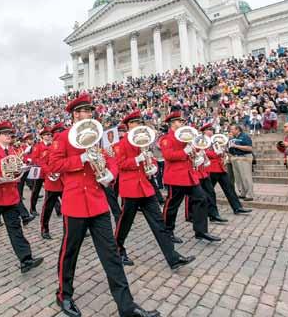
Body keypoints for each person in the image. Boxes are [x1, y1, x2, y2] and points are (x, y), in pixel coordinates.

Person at [49, 94, 160, 317]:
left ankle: (127, 307)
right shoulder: (62, 137)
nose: (87, 115)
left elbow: (109, 158)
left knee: (111, 255)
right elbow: (54, 164)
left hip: (97, 202)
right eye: (83, 111)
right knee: (70, 253)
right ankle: (64, 295)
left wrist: (111, 173)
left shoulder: (97, 135)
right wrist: (80, 160)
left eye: (90, 111)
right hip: (75, 203)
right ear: (74, 114)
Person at [114, 110, 195, 270]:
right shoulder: (120, 144)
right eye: (136, 123)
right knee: (125, 223)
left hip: (145, 187)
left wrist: (153, 168)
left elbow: (152, 160)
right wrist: (136, 160)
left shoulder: (144, 142)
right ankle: (118, 249)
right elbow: (120, 164)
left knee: (159, 223)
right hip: (130, 188)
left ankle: (173, 257)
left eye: (140, 123)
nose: (140, 126)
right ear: (129, 126)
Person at [0, 121, 44, 273]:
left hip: (10, 198)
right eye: (5, 134)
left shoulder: (13, 151)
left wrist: (21, 171)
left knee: (15, 229)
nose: (9, 136)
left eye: (10, 134)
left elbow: (15, 172)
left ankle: (26, 260)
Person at [159, 111, 220, 243]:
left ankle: (201, 231)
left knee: (201, 199)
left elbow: (192, 152)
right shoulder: (166, 139)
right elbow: (168, 156)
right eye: (179, 121)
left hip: (189, 175)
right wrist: (184, 151)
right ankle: (167, 232)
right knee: (172, 205)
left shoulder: (186, 137)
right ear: (172, 123)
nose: (182, 123)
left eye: (182, 121)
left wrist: (197, 153)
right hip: (175, 176)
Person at [202, 125, 252, 216]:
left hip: (220, 168)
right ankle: (206, 211)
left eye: (211, 129)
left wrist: (223, 151)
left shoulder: (215, 140)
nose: (211, 131)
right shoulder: (203, 141)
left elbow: (221, 151)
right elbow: (204, 152)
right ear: (204, 132)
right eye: (208, 130)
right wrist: (216, 153)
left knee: (229, 188)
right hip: (210, 168)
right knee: (209, 192)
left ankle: (237, 207)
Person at [39, 122, 65, 240]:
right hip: (53, 182)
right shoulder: (48, 149)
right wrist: (50, 172)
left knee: (69, 207)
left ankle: (69, 229)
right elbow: (42, 163)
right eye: (58, 133)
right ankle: (44, 228)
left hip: (65, 182)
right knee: (48, 207)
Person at [30, 127, 52, 216]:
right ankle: (32, 208)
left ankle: (58, 208)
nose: (49, 136)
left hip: (49, 171)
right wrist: (43, 165)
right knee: (36, 191)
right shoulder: (38, 146)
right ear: (42, 136)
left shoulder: (52, 145)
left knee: (51, 190)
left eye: (50, 134)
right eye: (47, 135)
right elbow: (34, 158)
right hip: (40, 172)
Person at [228, 124, 254, 201]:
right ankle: (243, 193)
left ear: (237, 130)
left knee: (246, 177)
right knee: (238, 177)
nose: (231, 131)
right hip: (236, 158)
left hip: (244, 157)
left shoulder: (245, 136)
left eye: (232, 129)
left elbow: (249, 148)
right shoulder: (234, 138)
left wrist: (236, 146)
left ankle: (249, 194)